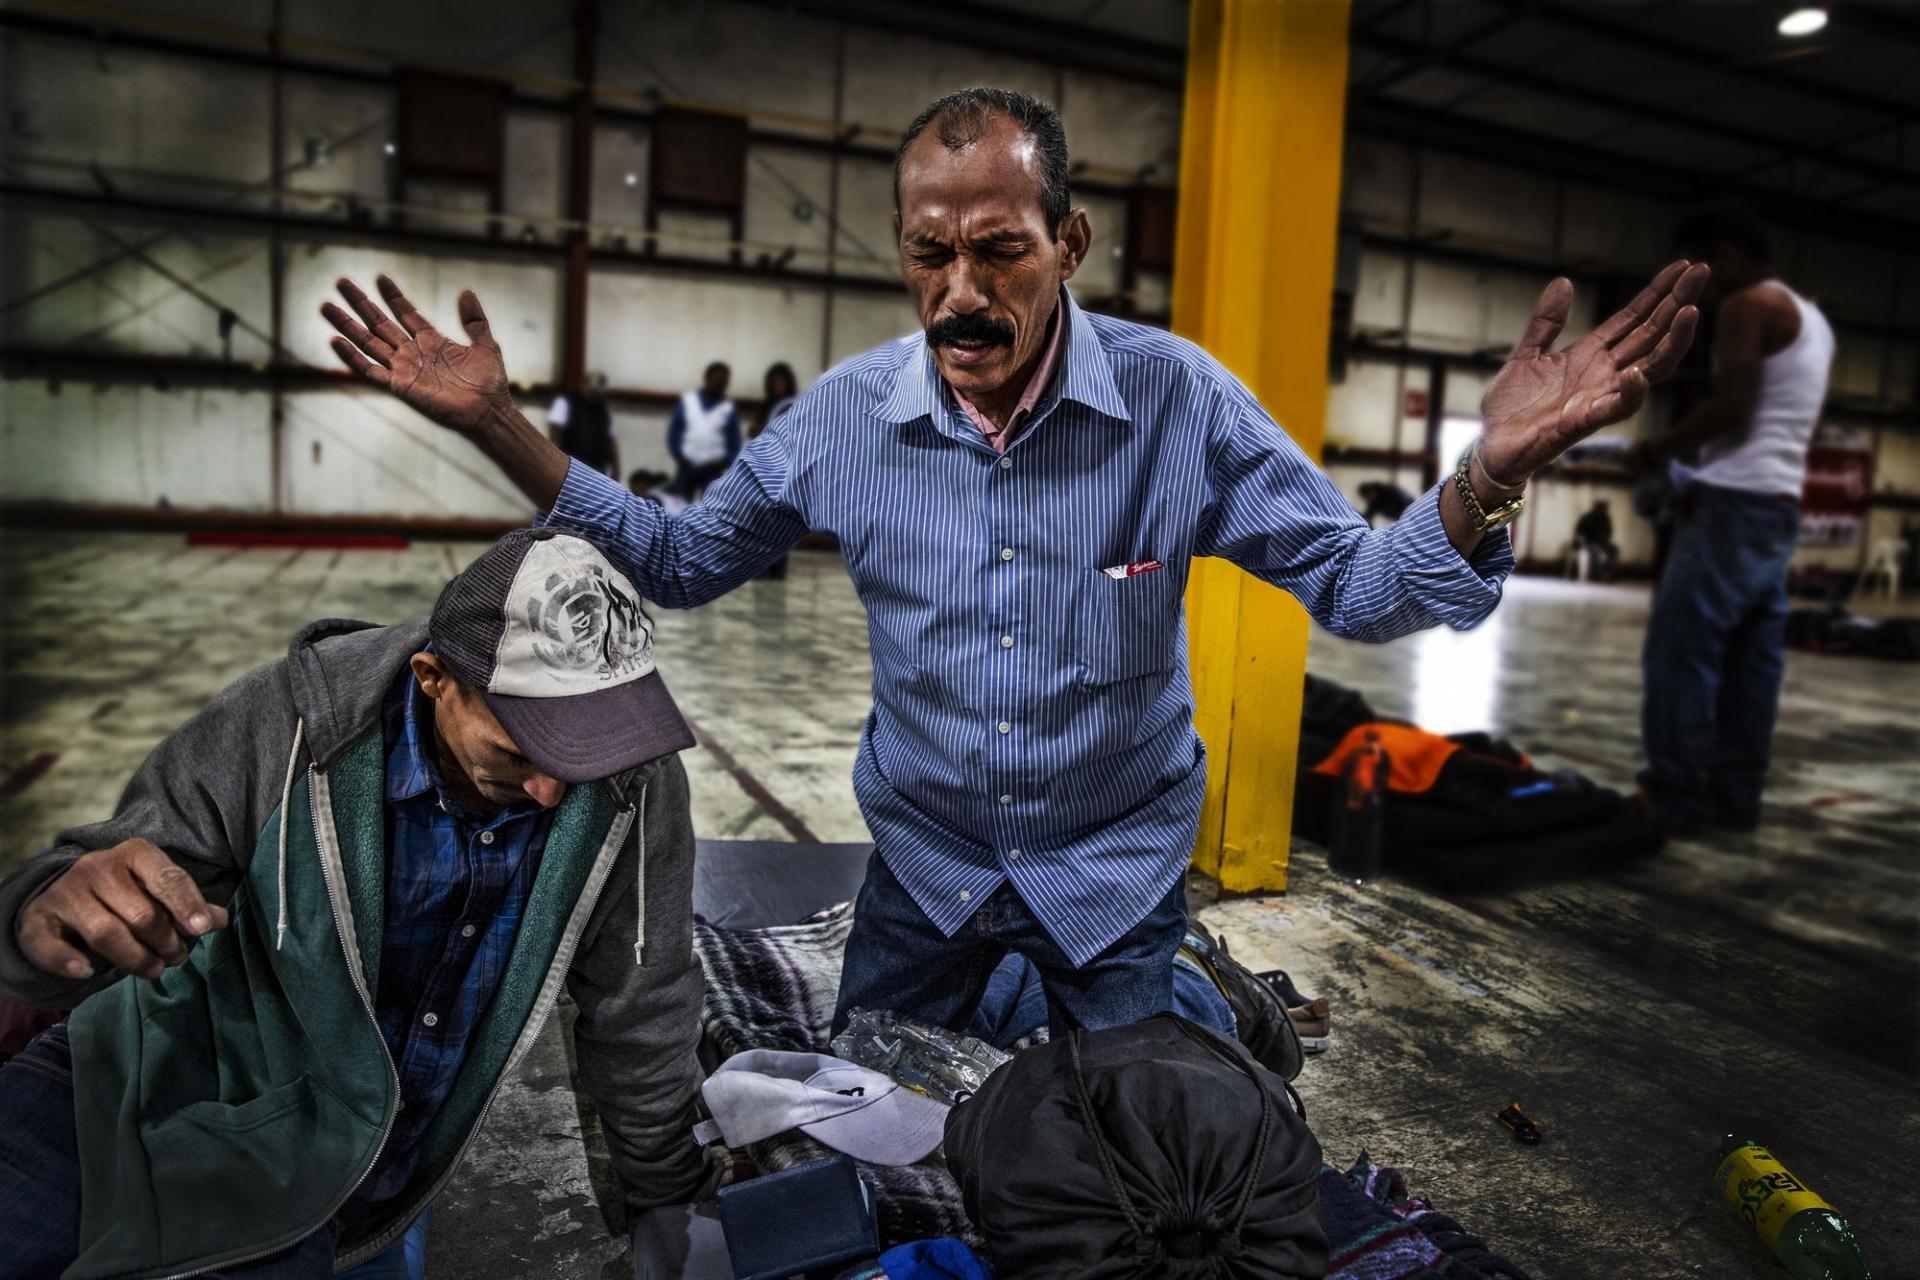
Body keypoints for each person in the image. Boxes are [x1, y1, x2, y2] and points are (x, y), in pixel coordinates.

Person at [322, 87, 1701, 1041]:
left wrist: (1493, 471)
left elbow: (1364, 587)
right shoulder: (845, 423)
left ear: (1069, 243)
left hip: (1115, 880)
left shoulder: (1182, 407)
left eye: (1000, 250)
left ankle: (1197, 1016)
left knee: (1129, 1160)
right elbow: (682, 563)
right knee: (860, 1117)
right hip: (923, 872)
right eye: (931, 254)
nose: (963, 292)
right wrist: (503, 423)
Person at [0, 529, 716, 1278]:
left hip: (328, 1167)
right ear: (434, 677)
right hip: (131, 1077)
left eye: (585, 749)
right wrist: (43, 914)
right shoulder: (290, 723)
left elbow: (640, 1009)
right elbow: (105, 889)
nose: (551, 789)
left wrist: (677, 1206)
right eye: (520, 751)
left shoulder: (634, 784)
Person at [1625, 201, 1833, 835]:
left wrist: (1654, 450)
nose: (1703, 290)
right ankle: (1734, 800)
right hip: (1776, 505)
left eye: (1703, 271)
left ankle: (1675, 796)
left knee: (1682, 651)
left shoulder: (1749, 307)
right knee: (1752, 658)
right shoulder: (1812, 319)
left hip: (1728, 504)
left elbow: (1734, 407)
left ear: (1730, 252)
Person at [666, 361, 741, 501]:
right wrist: (678, 455)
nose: (721, 384)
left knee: (710, 510)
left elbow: (734, 443)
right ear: (707, 377)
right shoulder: (688, 401)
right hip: (686, 467)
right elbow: (674, 433)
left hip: (713, 471)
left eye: (724, 382)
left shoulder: (728, 409)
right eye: (718, 380)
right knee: (679, 508)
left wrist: (725, 461)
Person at [753, 363, 801, 580]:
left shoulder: (797, 405)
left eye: (782, 382)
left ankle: (778, 570)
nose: (778, 386)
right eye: (775, 383)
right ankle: (761, 569)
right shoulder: (765, 408)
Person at [548, 369, 620, 480]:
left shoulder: (603, 411)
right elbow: (555, 437)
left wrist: (616, 471)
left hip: (598, 470)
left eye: (596, 393)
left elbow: (611, 441)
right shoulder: (565, 402)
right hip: (572, 470)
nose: (594, 396)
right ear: (583, 385)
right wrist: (554, 466)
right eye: (592, 392)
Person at [1572, 498, 1619, 580]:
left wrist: (1604, 538)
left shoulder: (1605, 518)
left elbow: (1609, 532)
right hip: (1588, 542)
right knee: (1595, 551)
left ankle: (1607, 572)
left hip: (1601, 542)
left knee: (1614, 550)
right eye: (1601, 508)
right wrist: (1586, 539)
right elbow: (1579, 532)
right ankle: (1598, 574)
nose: (1603, 511)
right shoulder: (1586, 518)